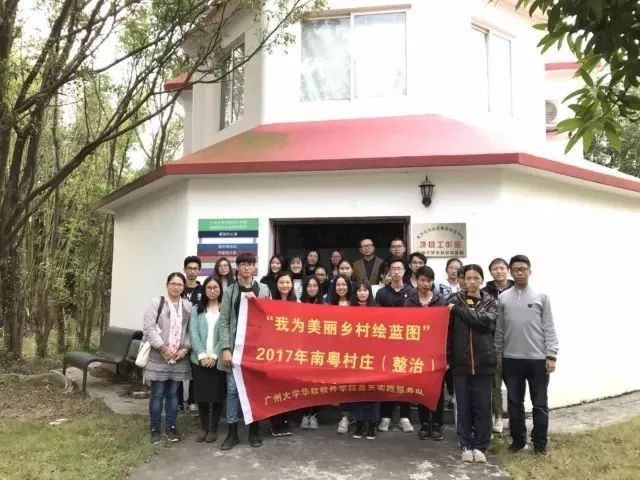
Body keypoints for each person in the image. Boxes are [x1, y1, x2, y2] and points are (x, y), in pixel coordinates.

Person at [496, 255, 559, 455]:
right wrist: (498, 355)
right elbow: (499, 330)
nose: (520, 272)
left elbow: (549, 326)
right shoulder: (503, 298)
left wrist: (552, 355)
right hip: (511, 359)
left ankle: (540, 444)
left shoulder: (541, 296)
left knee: (539, 404)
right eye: (516, 269)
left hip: (538, 359)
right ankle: (518, 440)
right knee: (515, 403)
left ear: (530, 271)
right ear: (511, 272)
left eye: (523, 269)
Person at [218, 253, 271, 450]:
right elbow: (224, 321)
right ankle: (232, 433)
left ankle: (254, 432)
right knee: (232, 390)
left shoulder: (263, 289)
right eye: (243, 264)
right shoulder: (230, 290)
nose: (247, 267)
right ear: (238, 267)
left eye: (250, 264)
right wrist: (225, 348)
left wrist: (257, 302)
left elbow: (270, 317)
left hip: (256, 350)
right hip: (235, 349)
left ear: (254, 267)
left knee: (254, 390)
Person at [447, 264, 498, 463]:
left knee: (483, 407)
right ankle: (466, 445)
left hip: (484, 362)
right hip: (461, 363)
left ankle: (481, 446)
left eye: (476, 278)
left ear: (482, 280)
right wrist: (448, 357)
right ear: (463, 280)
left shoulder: (491, 302)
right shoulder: (453, 300)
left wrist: (460, 310)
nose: (472, 282)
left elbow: (483, 322)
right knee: (464, 406)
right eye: (468, 278)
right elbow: (448, 333)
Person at [143, 272, 192, 444]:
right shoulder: (157, 303)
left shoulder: (188, 306)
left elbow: (190, 331)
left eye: (179, 284)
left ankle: (171, 427)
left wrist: (185, 349)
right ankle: (155, 429)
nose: (176, 287)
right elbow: (148, 328)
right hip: (159, 356)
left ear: (183, 287)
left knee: (173, 394)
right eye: (173, 283)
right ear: (167, 284)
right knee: (157, 394)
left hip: (179, 358)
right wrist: (163, 348)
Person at [404, 266, 447, 441]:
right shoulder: (410, 301)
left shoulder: (440, 301)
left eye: (429, 281)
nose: (425, 284)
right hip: (418, 352)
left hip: (436, 352)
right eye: (422, 280)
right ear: (416, 281)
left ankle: (437, 425)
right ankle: (424, 425)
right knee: (421, 389)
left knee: (437, 391)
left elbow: (446, 329)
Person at [375, 256, 415, 433]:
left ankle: (405, 417)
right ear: (389, 272)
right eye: (393, 269)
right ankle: (386, 416)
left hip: (406, 343)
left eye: (399, 269)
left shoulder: (412, 292)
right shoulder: (382, 293)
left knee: (405, 379)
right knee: (387, 379)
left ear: (404, 271)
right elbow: (376, 317)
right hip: (386, 343)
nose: (396, 272)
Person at [188, 276, 226, 443]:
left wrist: (215, 355)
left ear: (220, 290)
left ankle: (213, 429)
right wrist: (202, 355)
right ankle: (203, 428)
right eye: (209, 287)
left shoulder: (225, 309)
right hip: (199, 360)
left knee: (217, 395)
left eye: (215, 287)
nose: (212, 290)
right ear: (204, 290)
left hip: (218, 360)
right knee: (202, 395)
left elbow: (226, 334)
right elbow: (193, 333)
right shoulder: (197, 309)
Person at [481, 257, 515, 434]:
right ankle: (498, 416)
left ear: (507, 270)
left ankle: (515, 416)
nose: (499, 271)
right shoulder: (485, 292)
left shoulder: (517, 289)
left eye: (502, 268)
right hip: (492, 343)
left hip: (514, 343)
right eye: (495, 269)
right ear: (490, 272)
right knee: (495, 383)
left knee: (514, 383)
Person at [350, 280, 379, 440]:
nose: (362, 293)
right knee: (358, 391)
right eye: (359, 290)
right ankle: (360, 423)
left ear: (369, 292)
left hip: (373, 356)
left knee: (373, 391)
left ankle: (373, 423)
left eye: (365, 290)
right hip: (355, 357)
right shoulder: (350, 310)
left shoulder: (377, 309)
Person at [270, 271, 297, 436]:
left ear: (292, 284)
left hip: (291, 352)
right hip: (273, 352)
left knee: (287, 388)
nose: (285, 285)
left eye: (287, 282)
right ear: (277, 284)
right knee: (274, 388)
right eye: (281, 282)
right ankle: (274, 421)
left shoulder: (298, 303)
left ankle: (285, 420)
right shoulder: (269, 302)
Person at [329, 275, 355, 434]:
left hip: (354, 351)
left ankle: (349, 416)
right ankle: (345, 416)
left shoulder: (355, 303)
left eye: (344, 284)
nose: (341, 288)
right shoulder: (328, 304)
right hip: (334, 350)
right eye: (338, 285)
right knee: (341, 385)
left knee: (351, 384)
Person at [299, 276, 324, 430]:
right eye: (309, 285)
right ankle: (304, 415)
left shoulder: (325, 305)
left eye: (315, 285)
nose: (312, 288)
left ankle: (314, 415)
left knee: (316, 385)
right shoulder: (299, 304)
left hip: (319, 352)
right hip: (302, 351)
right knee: (303, 384)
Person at [181, 256, 203, 414]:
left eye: (195, 269)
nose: (192, 271)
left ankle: (193, 401)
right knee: (177, 369)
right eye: (190, 268)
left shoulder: (203, 290)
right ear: (185, 270)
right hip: (180, 335)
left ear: (199, 271)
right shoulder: (179, 288)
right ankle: (177, 401)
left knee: (195, 369)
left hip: (197, 334)